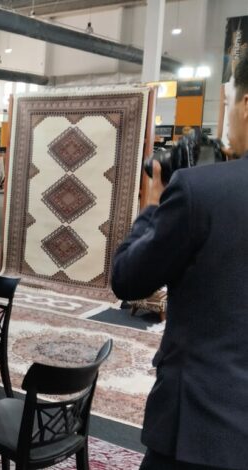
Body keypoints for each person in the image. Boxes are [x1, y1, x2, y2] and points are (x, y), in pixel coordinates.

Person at [110, 52, 248, 470]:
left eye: (228, 102)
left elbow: (128, 279)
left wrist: (152, 207)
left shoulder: (201, 191)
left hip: (203, 426)